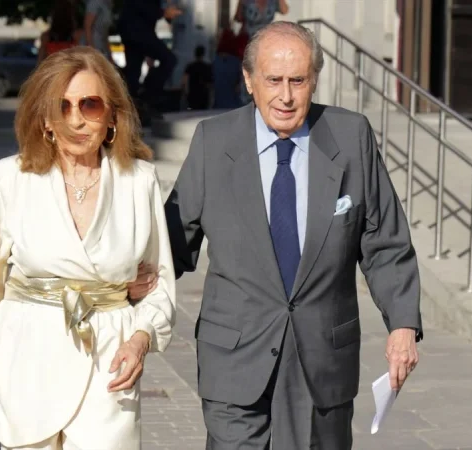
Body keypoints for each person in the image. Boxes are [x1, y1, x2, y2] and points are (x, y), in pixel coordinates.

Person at [132, 21, 422, 449]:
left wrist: (402, 325)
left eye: (297, 81)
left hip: (321, 365)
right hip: (235, 362)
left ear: (314, 81)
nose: (285, 96)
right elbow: (172, 243)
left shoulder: (350, 137)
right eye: (273, 80)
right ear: (248, 80)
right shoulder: (214, 142)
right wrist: (118, 291)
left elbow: (385, 243)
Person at [0, 46, 176, 450]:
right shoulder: (11, 178)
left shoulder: (139, 181)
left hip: (110, 369)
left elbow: (161, 286)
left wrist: (140, 338)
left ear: (112, 115)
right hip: (26, 365)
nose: (75, 119)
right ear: (45, 118)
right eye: (62, 106)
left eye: (90, 104)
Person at [117, 0, 182, 107]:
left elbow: (148, 21)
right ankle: (147, 93)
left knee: (133, 73)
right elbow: (141, 6)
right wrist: (164, 12)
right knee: (169, 59)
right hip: (136, 31)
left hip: (133, 32)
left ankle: (133, 103)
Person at [211, 28, 243, 109]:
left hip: (218, 103)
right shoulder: (236, 62)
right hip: (233, 104)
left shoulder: (216, 61)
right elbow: (238, 85)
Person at [182, 45, 212, 110]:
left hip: (192, 95)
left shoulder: (190, 67)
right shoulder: (207, 67)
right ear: (203, 54)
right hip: (203, 95)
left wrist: (186, 93)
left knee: (192, 112)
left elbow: (185, 81)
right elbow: (209, 84)